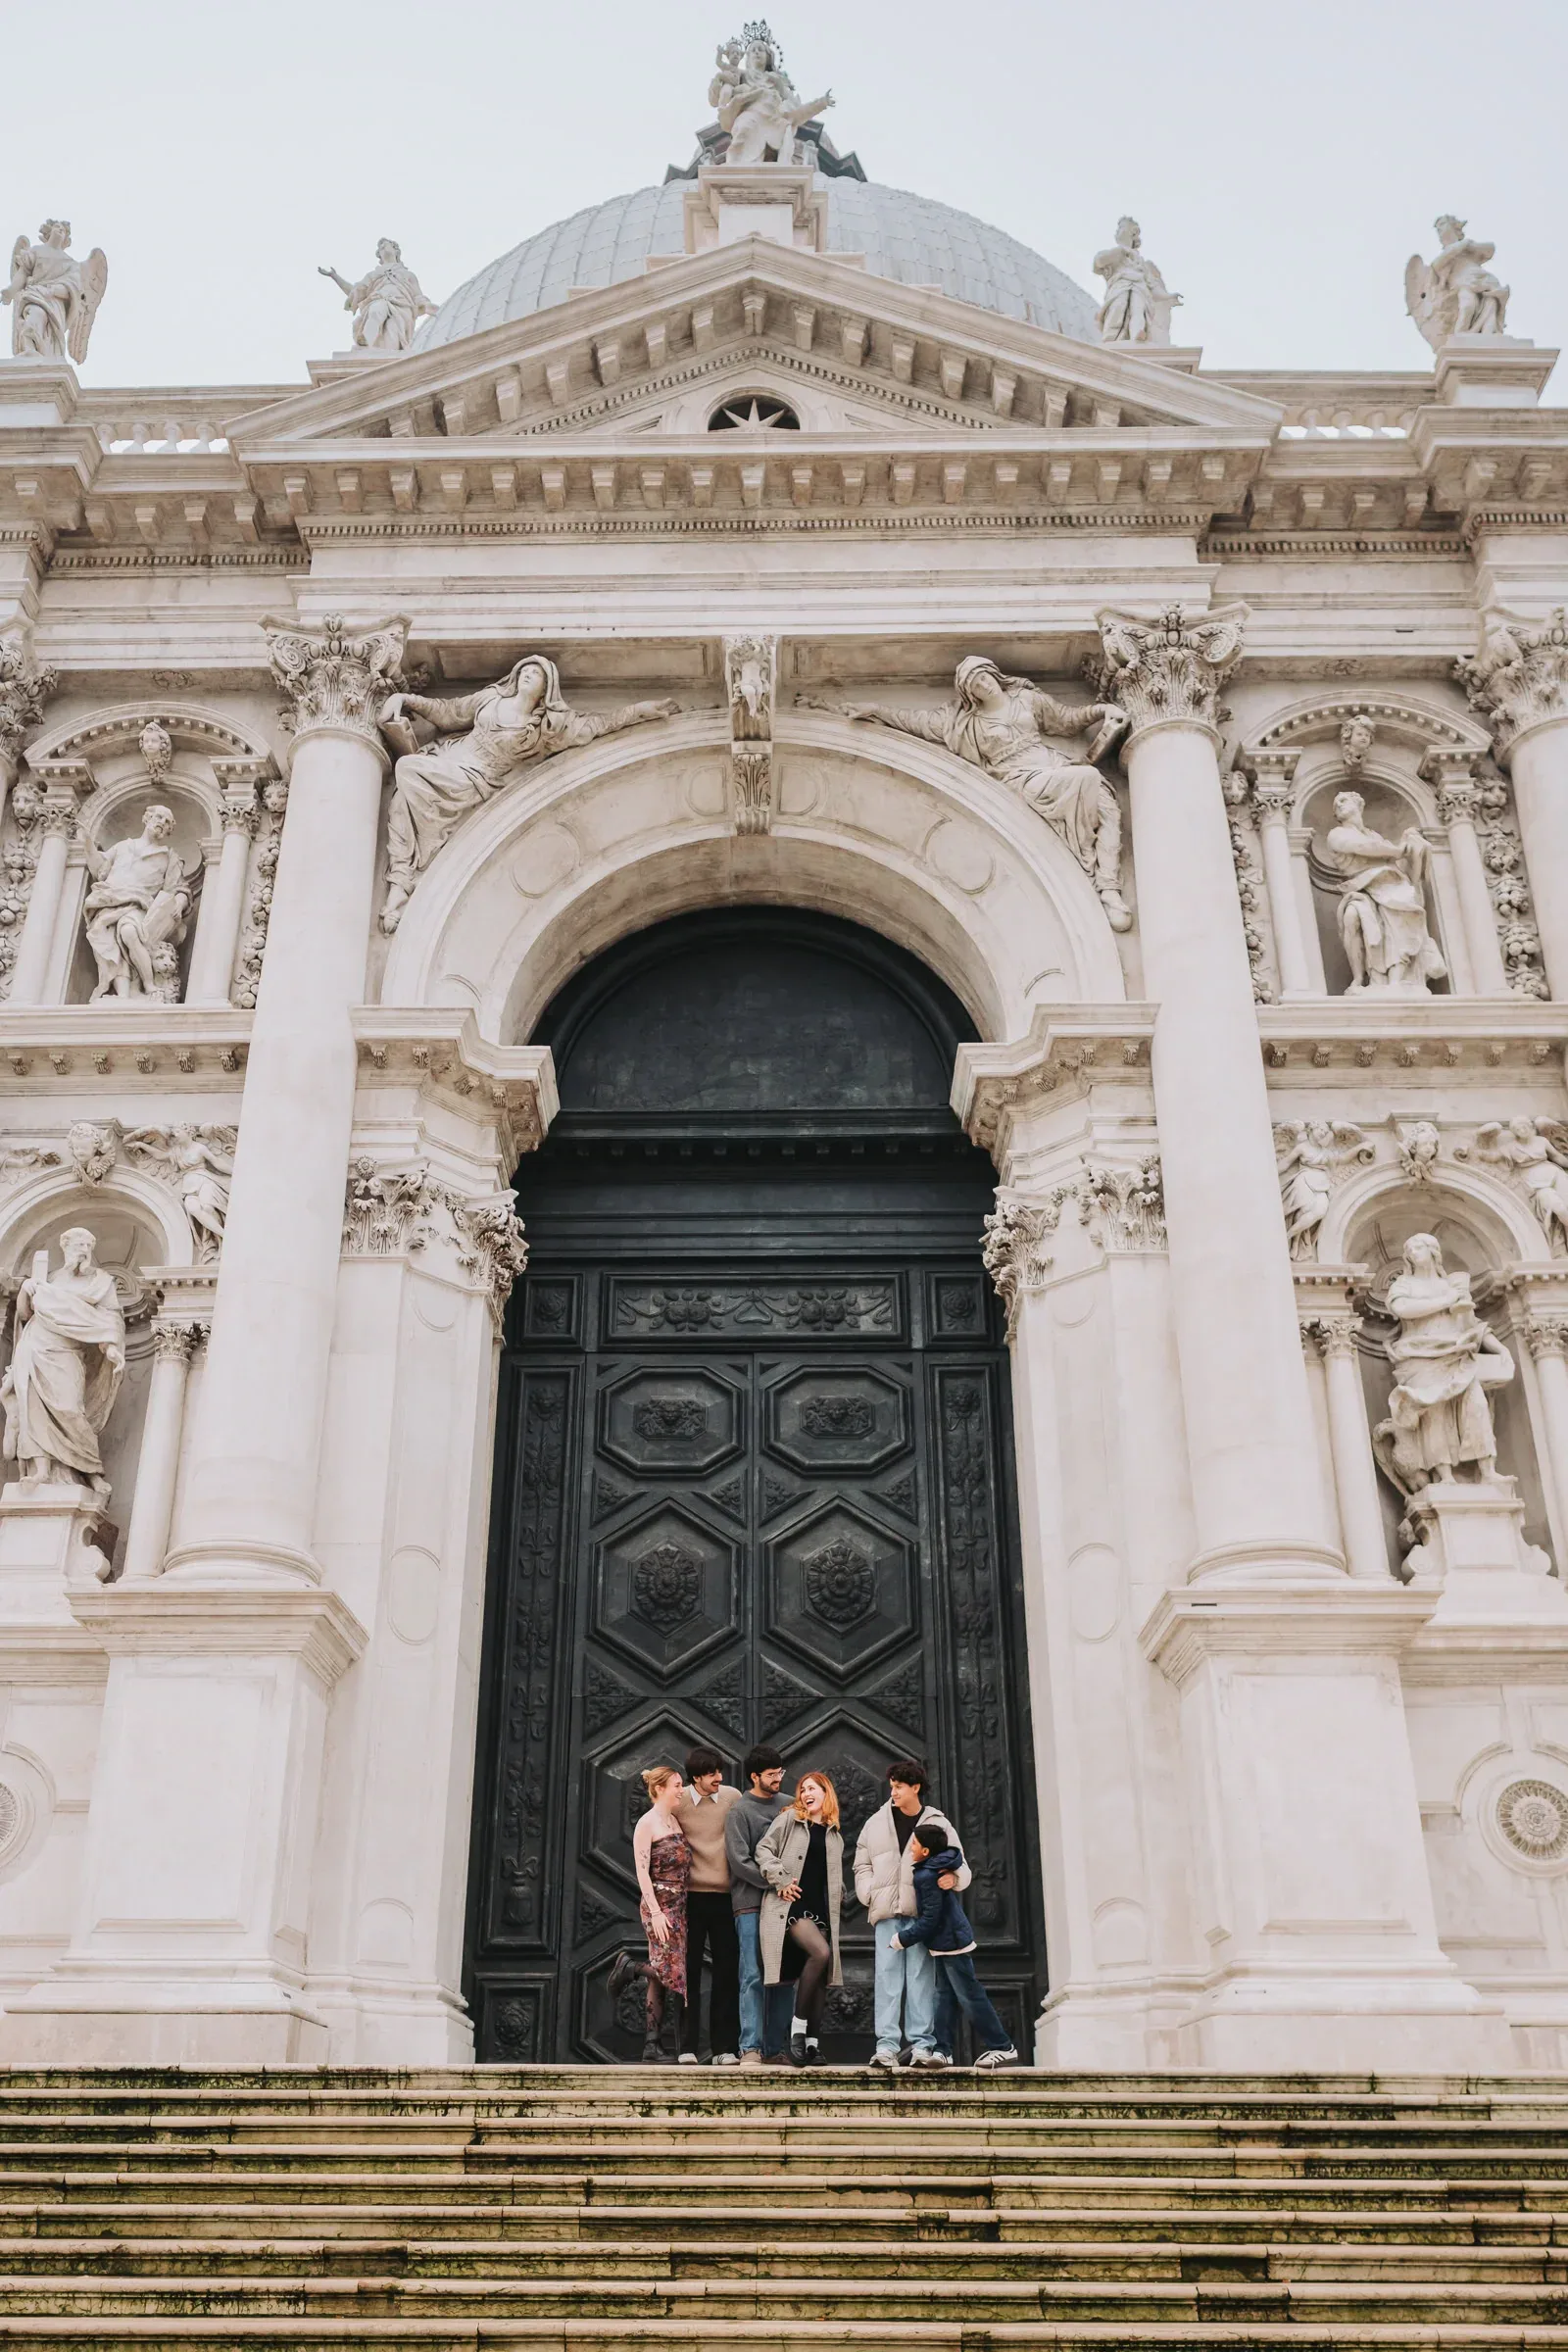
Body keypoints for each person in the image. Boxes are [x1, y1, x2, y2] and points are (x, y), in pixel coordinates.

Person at [854, 1758, 970, 2072]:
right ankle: (886, 2048)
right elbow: (861, 1863)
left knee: (921, 1979)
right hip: (886, 1912)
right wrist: (868, 1891)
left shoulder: (938, 1823)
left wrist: (953, 1879)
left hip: (923, 1917)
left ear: (915, 1788)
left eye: (899, 1786)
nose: (892, 1792)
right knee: (887, 1979)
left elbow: (961, 1867)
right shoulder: (875, 1823)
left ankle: (922, 2046)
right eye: (891, 1786)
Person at [890, 1818, 1020, 2071]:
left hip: (951, 1942)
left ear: (926, 1851)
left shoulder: (926, 1875)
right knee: (944, 1996)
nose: (910, 1847)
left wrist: (902, 1939)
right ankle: (943, 2050)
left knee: (969, 1994)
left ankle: (1002, 2046)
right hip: (943, 1942)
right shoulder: (931, 1867)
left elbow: (930, 1918)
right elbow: (953, 1854)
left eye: (914, 1843)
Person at [758, 1771, 847, 2068]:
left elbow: (830, 1875)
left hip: (820, 1910)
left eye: (813, 1789)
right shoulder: (789, 1820)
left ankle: (812, 2043)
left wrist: (840, 1892)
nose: (806, 1794)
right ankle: (797, 2030)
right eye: (803, 1789)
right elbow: (763, 1850)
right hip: (791, 1907)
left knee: (820, 1971)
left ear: (826, 1794)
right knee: (821, 1953)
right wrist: (780, 1879)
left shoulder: (834, 1834)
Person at [608, 1765, 690, 2063]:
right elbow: (642, 1871)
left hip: (679, 1905)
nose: (682, 1790)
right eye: (677, 1785)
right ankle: (629, 1967)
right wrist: (655, 1911)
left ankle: (651, 2044)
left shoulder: (675, 1821)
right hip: (659, 1905)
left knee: (662, 1973)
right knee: (670, 1971)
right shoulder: (648, 1823)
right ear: (659, 1789)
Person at [724, 1742, 794, 2068]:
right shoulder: (740, 1811)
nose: (778, 1778)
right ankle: (750, 2047)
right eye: (771, 1774)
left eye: (780, 1772)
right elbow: (739, 1862)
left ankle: (776, 2047)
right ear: (755, 1776)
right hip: (751, 1904)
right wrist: (776, 1883)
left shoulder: (791, 1806)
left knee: (784, 1976)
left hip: (786, 1906)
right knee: (752, 1974)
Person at [673, 1744, 741, 2066]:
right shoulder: (680, 1801)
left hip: (726, 1897)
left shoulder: (732, 1797)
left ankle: (724, 2048)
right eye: (712, 1773)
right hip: (689, 1899)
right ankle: (686, 2046)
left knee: (727, 1973)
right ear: (696, 1777)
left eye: (719, 1772)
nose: (719, 1778)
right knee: (687, 1973)